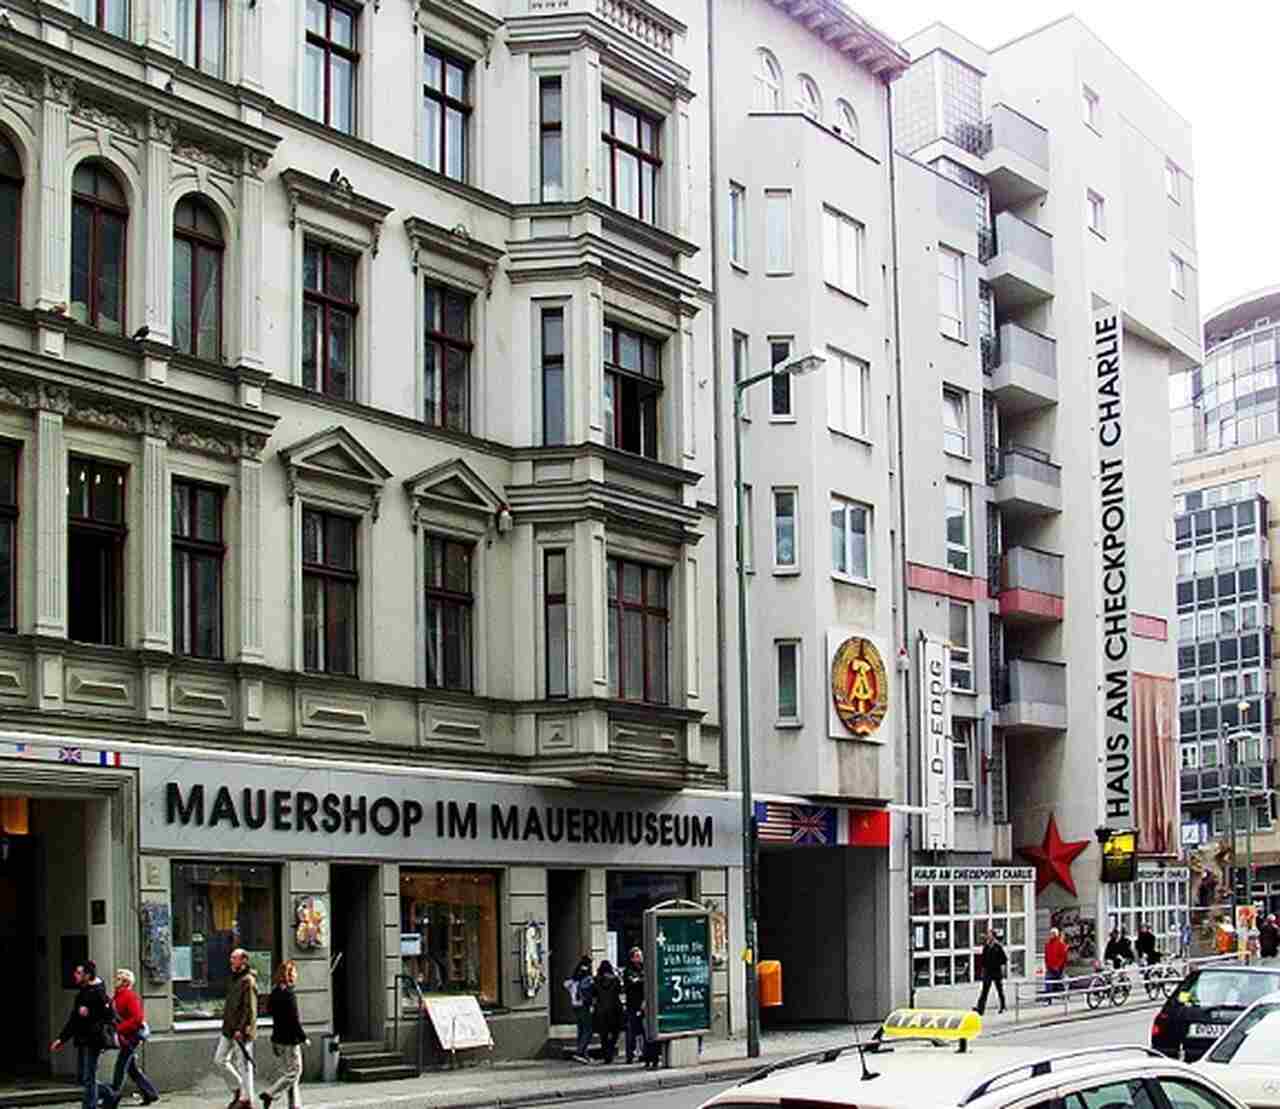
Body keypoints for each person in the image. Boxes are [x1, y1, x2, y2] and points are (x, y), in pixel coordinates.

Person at [49, 960, 115, 1109]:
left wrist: (90, 1014)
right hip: (84, 1038)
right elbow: (74, 1020)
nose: (75, 975)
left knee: (88, 1076)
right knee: (86, 1077)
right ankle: (111, 1094)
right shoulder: (83, 993)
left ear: (87, 975)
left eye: (79, 973)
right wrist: (61, 1039)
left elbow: (109, 1016)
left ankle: (89, 1106)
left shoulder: (98, 993)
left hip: (95, 1039)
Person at [103, 968, 159, 1107]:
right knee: (131, 1069)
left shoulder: (129, 996)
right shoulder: (118, 996)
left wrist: (119, 1029)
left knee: (120, 1067)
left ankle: (112, 1099)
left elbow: (137, 1018)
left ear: (125, 982)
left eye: (118, 978)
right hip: (125, 1037)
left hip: (130, 1038)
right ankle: (150, 1094)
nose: (115, 980)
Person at [214, 948, 258, 1109]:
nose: (231, 961)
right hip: (228, 1028)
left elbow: (250, 1008)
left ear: (243, 961)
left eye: (234, 958)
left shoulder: (248, 980)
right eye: (231, 957)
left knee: (244, 1065)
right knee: (219, 1059)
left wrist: (242, 1028)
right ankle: (239, 1089)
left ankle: (247, 1100)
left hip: (241, 1030)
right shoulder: (234, 978)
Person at [261, 961, 307, 1108]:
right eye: (294, 972)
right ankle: (270, 1093)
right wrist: (303, 1037)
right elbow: (294, 1019)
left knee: (289, 1073)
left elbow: (269, 1011)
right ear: (289, 975)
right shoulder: (289, 994)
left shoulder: (275, 992)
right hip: (290, 1040)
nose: (296, 974)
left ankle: (294, 1105)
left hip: (278, 1038)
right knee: (294, 1073)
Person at [564, 955, 595, 1064]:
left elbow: (568, 985)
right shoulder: (587, 978)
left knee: (581, 1029)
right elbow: (588, 993)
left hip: (575, 1005)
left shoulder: (574, 978)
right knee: (588, 1030)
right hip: (584, 1006)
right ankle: (580, 1052)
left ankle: (583, 1053)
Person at [592, 960, 624, 1064]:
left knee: (603, 1034)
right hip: (614, 1009)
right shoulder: (615, 980)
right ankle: (611, 1049)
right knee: (615, 1032)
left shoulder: (596, 980)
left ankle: (606, 1054)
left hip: (601, 1009)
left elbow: (593, 994)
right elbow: (619, 991)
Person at [622, 947, 647, 1065]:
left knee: (643, 1030)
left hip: (643, 1003)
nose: (640, 957)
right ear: (632, 958)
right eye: (637, 956)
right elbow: (633, 983)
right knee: (632, 1030)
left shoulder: (644, 968)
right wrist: (641, 979)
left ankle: (643, 1053)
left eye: (640, 955)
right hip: (633, 1004)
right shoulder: (628, 970)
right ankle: (630, 1054)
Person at [973, 931, 1007, 1015]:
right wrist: (983, 970)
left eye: (990, 935)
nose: (988, 936)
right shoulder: (986, 947)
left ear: (993, 937)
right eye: (988, 935)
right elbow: (983, 960)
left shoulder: (998, 947)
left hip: (996, 971)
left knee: (999, 990)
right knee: (984, 991)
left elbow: (1004, 959)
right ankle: (980, 1009)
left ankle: (1003, 1006)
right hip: (988, 972)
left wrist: (1001, 968)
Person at [1043, 928, 1069, 999]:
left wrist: (1059, 966)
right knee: (1048, 981)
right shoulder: (1048, 944)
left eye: (1052, 934)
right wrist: (1047, 965)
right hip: (1050, 967)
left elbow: (1063, 957)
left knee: (1059, 981)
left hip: (1058, 968)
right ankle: (1048, 997)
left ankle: (1064, 995)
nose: (1051, 935)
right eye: (1050, 934)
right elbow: (1046, 955)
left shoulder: (1060, 944)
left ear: (1056, 935)